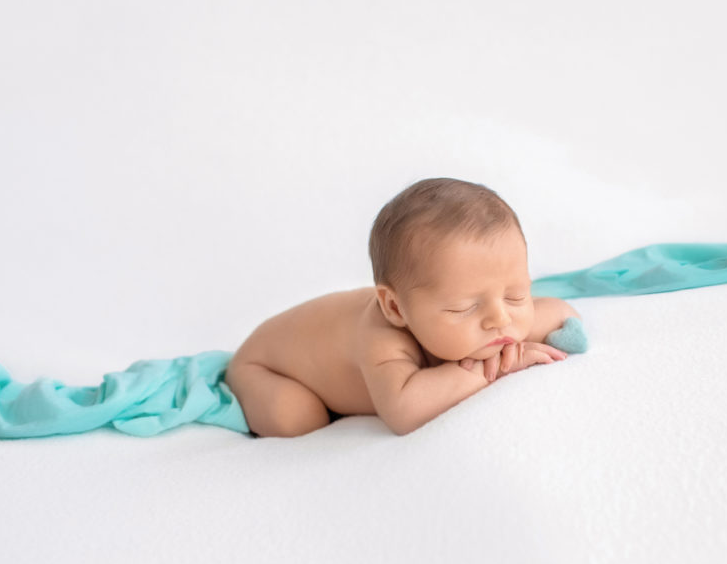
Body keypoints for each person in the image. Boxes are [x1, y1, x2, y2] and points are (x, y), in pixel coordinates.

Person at [224, 177, 581, 437]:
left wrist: (555, 325)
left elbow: (561, 316)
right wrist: (488, 369)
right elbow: (404, 411)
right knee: (299, 419)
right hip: (267, 368)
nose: (501, 319)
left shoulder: (490, 310)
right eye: (463, 308)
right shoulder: (382, 337)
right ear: (395, 308)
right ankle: (246, 385)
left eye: (515, 295)